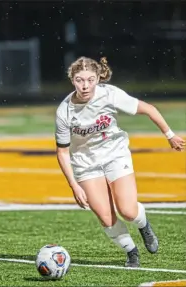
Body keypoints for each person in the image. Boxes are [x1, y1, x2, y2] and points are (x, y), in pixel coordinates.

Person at [55, 57, 185, 267]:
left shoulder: (110, 94)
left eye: (90, 79)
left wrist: (169, 135)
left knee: (128, 211)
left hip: (115, 154)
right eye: (79, 80)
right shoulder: (64, 111)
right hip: (86, 163)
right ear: (72, 80)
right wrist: (74, 185)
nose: (85, 85)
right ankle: (132, 253)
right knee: (106, 218)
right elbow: (62, 152)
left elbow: (149, 109)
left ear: (98, 78)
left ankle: (143, 225)